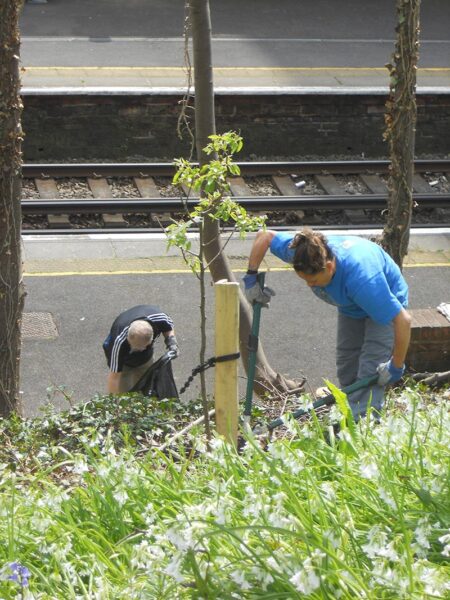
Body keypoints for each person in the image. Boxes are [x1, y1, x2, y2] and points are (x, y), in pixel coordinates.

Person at [243, 229, 411, 421]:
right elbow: (265, 236)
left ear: (330, 267)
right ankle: (351, 412)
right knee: (347, 365)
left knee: (370, 371)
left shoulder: (363, 281)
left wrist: (396, 366)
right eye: (304, 279)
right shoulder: (304, 253)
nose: (309, 285)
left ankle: (364, 425)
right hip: (351, 305)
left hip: (383, 302)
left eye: (313, 280)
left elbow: (403, 320)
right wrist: (251, 278)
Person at [103, 305, 179, 394]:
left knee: (146, 384)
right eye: (136, 348)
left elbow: (168, 328)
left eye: (143, 347)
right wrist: (115, 403)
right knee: (123, 391)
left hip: (145, 357)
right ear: (128, 338)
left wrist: (172, 342)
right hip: (124, 361)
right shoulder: (118, 343)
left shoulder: (159, 318)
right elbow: (114, 378)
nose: (140, 350)